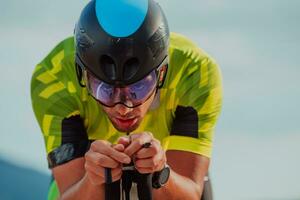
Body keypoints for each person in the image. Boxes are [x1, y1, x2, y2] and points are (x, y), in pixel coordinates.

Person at [30, 0, 223, 199]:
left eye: (138, 88)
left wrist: (160, 172)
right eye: (105, 89)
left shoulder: (196, 72)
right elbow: (69, 192)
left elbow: (189, 192)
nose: (123, 108)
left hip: (168, 165)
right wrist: (93, 180)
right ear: (83, 76)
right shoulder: (53, 77)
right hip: (86, 173)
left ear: (162, 72)